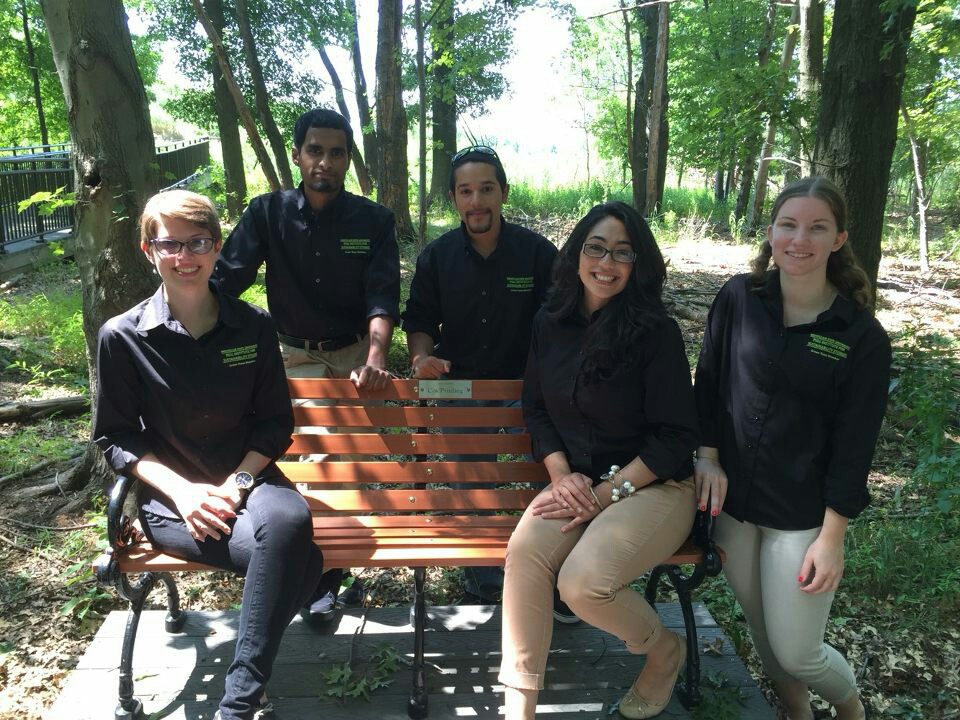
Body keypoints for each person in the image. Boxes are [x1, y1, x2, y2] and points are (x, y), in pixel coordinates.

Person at [93, 190, 324, 720]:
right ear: (148, 249)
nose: (185, 256)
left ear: (217, 247)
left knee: (290, 521)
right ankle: (246, 698)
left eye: (197, 241)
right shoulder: (122, 337)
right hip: (170, 501)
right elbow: (118, 437)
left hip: (248, 482)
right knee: (303, 562)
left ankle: (237, 703)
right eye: (169, 243)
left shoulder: (253, 326)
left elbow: (274, 422)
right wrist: (183, 492)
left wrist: (237, 483)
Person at [694, 177, 890, 720]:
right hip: (733, 507)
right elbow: (707, 383)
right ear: (772, 232)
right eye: (788, 224)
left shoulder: (861, 338)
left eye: (816, 227)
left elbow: (855, 449)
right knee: (763, 631)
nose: (799, 238)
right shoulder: (739, 297)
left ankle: (852, 711)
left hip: (800, 520)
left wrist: (832, 539)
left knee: (798, 650)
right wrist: (706, 457)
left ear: (839, 239)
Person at [499, 201, 699, 720]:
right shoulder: (550, 322)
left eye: (623, 253)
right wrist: (562, 476)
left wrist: (606, 495)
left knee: (583, 584)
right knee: (525, 552)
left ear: (638, 265)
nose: (606, 263)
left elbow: (676, 436)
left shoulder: (656, 333)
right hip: (580, 484)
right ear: (577, 251)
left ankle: (663, 653)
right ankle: (519, 705)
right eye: (596, 247)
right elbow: (536, 408)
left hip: (653, 487)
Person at [211, 108, 401, 620]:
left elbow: (382, 294)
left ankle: (326, 579)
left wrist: (376, 357)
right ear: (297, 155)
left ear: (346, 159)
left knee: (349, 468)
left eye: (336, 152)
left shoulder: (373, 221)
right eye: (315, 150)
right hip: (291, 353)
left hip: (355, 354)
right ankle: (314, 582)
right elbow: (226, 283)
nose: (325, 162)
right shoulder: (267, 213)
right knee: (308, 467)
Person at [402, 145, 557, 607]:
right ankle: (486, 581)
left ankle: (545, 569)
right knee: (470, 481)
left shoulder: (536, 253)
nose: (477, 201)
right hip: (460, 386)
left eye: (486, 189)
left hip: (527, 388)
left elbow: (562, 318)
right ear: (454, 199)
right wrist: (420, 359)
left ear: (503, 193)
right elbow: (420, 321)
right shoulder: (438, 256)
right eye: (466, 191)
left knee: (549, 476)